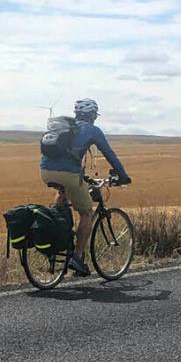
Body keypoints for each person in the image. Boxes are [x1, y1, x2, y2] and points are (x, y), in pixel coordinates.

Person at [40, 98, 131, 274]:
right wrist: (123, 176)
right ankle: (77, 257)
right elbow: (109, 154)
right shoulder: (93, 130)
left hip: (45, 171)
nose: (95, 118)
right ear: (91, 115)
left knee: (63, 197)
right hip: (69, 174)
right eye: (95, 115)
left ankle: (58, 231)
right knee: (87, 213)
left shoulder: (64, 126)